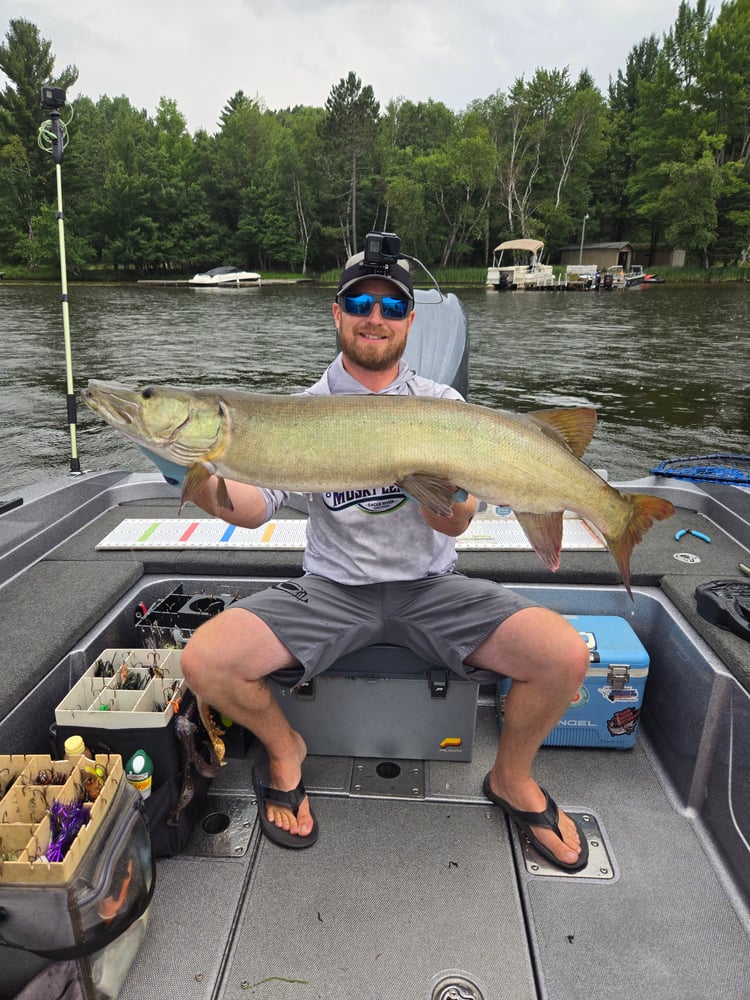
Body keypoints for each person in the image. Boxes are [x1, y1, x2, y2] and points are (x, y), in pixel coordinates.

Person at [177, 248, 591, 870]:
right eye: (361, 303)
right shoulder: (302, 409)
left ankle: (511, 778)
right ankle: (286, 748)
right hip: (331, 590)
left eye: (392, 304)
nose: (376, 316)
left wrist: (442, 502)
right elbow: (257, 506)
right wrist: (206, 482)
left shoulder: (442, 404)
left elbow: (458, 516)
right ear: (338, 313)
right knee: (203, 661)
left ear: (409, 321)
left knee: (564, 655)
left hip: (431, 587)